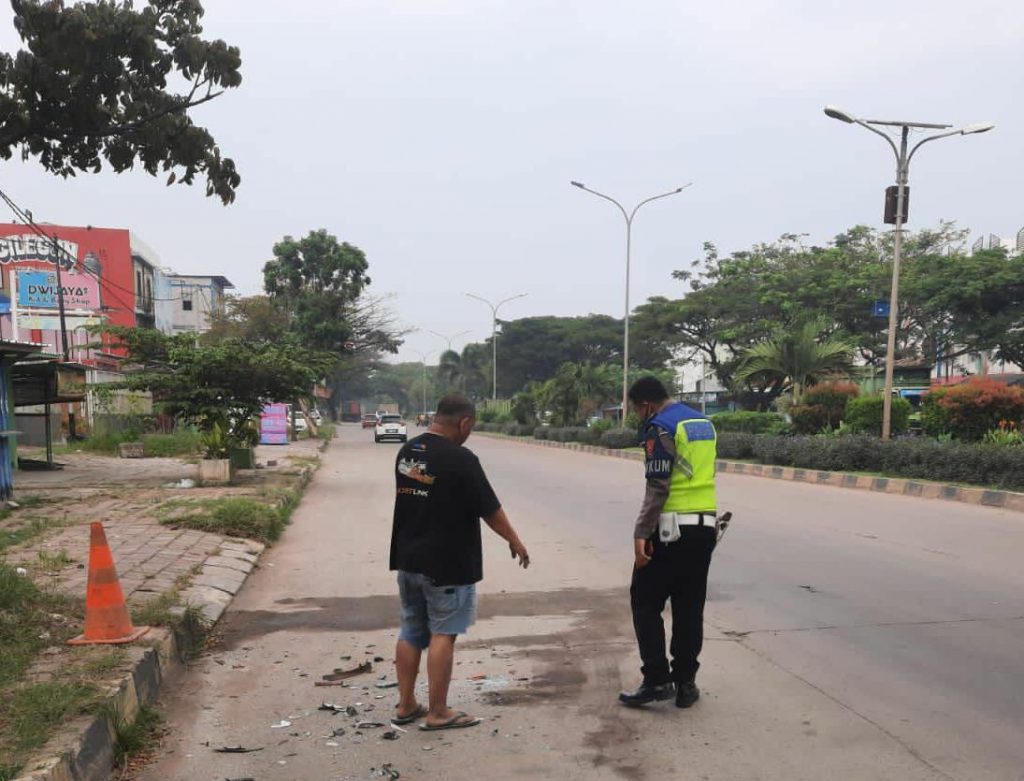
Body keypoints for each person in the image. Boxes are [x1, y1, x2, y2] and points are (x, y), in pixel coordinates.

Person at [389, 393, 530, 731]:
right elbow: (489, 508)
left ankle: (406, 704)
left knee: (410, 631)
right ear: (464, 422)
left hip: (408, 559)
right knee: (444, 633)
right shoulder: (460, 458)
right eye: (471, 426)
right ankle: (438, 712)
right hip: (447, 563)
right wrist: (514, 539)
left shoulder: (408, 451)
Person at [619, 376, 718, 710]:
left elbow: (658, 487)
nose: (637, 416)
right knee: (689, 605)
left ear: (646, 404)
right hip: (704, 527)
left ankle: (657, 679)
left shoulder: (659, 427)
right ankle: (686, 683)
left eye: (635, 409)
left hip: (670, 530)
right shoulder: (703, 423)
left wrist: (641, 533)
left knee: (644, 601)